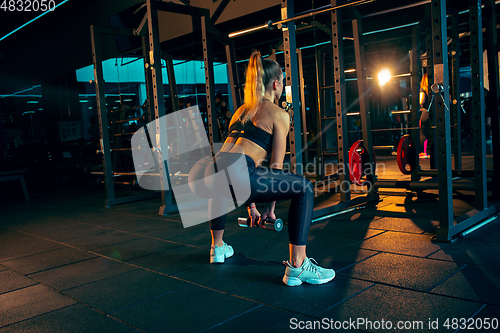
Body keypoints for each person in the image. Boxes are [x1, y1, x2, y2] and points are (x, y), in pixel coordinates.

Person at [188, 51, 335, 286]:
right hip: (239, 173)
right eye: (283, 83)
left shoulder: (240, 111)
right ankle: (298, 265)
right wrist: (270, 209)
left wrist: (253, 206)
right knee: (304, 188)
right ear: (276, 83)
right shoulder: (279, 114)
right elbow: (275, 166)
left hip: (206, 171)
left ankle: (217, 247)